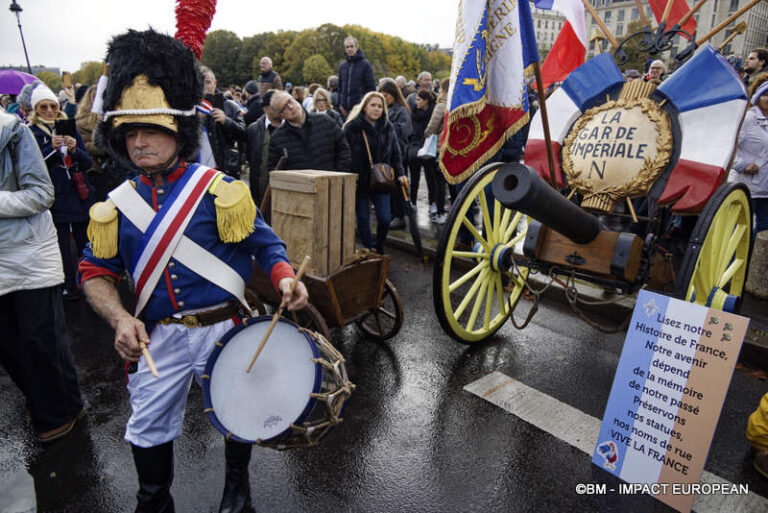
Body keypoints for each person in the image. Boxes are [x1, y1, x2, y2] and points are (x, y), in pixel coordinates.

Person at [78, 29, 308, 513]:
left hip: (222, 326)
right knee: (147, 424)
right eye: (130, 134)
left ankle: (237, 489)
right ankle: (154, 500)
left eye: (151, 131)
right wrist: (120, 318)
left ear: (177, 134)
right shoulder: (114, 207)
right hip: (157, 335)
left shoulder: (219, 190)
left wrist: (284, 276)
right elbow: (93, 271)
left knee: (238, 406)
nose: (139, 142)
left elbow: (266, 244)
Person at [0, 110, 85, 443]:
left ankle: (61, 411)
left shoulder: (12, 132)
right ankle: (44, 399)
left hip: (29, 253)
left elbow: (41, 194)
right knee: (7, 344)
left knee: (40, 340)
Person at [28, 84, 94, 301]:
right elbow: (32, 166)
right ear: (35, 109)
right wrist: (52, 149)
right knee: (61, 245)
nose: (49, 111)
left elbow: (87, 162)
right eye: (43, 107)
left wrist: (74, 149)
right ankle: (68, 283)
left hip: (78, 192)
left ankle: (90, 282)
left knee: (85, 241)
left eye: (53, 106)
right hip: (54, 196)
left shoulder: (69, 126)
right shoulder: (32, 132)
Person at [343, 91, 407, 254]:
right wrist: (348, 178)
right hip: (359, 181)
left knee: (384, 219)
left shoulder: (388, 127)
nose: (376, 109)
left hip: (382, 179)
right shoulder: (352, 128)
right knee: (363, 218)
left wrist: (400, 173)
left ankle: (378, 246)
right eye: (373, 105)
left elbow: (396, 153)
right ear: (364, 107)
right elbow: (344, 155)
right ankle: (369, 248)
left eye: (380, 106)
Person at [267, 91, 351, 172]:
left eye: (290, 101)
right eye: (284, 108)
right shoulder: (277, 138)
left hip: (331, 180)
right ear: (281, 115)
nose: (290, 107)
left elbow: (343, 150)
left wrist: (339, 175)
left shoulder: (325, 121)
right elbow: (275, 171)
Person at [729, 73, 768, 236]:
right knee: (740, 230)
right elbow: (729, 147)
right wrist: (743, 165)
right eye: (765, 95)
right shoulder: (747, 119)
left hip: (766, 187)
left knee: (764, 230)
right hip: (747, 185)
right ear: (757, 97)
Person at [199, 66, 246, 178]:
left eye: (208, 82)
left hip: (225, 168)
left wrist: (226, 121)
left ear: (214, 83)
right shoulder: (189, 108)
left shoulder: (230, 106)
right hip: (198, 169)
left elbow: (243, 134)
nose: (204, 86)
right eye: (200, 82)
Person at [377, 80, 412, 230]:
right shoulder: (386, 110)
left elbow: (404, 131)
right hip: (386, 154)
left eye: (386, 96)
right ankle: (392, 213)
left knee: (398, 186)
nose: (384, 99)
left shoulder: (401, 110)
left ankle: (400, 216)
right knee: (389, 185)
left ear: (393, 95)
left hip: (398, 153)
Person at [76, 85, 120, 201]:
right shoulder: (81, 124)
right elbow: (84, 146)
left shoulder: (116, 119)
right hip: (97, 170)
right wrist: (111, 147)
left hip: (117, 169)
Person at [245, 89, 282, 206]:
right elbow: (250, 157)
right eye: (276, 105)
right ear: (266, 108)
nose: (281, 108)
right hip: (260, 191)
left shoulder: (291, 128)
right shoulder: (253, 130)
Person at [406, 90, 438, 216]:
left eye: (419, 100)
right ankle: (413, 201)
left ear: (426, 101)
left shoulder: (433, 113)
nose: (416, 102)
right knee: (414, 177)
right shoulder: (414, 112)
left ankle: (432, 203)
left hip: (428, 146)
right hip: (415, 146)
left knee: (431, 177)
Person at [337, 36, 376, 117]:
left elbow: (371, 88)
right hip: (344, 110)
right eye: (347, 47)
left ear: (357, 47)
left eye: (352, 46)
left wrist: (366, 106)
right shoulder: (342, 66)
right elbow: (340, 87)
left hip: (360, 108)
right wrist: (340, 104)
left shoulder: (365, 65)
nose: (349, 49)